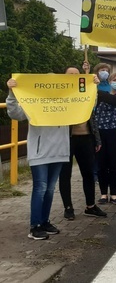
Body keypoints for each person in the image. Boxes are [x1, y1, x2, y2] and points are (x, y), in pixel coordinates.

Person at [6, 78, 69, 240]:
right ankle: (35, 226)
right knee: (40, 188)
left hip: (59, 151)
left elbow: (87, 105)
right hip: (39, 152)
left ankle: (44, 221)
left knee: (49, 189)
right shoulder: (34, 103)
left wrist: (93, 84)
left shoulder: (68, 103)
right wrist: (12, 93)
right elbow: (14, 113)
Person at [56, 65, 107, 221]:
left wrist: (95, 84)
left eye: (76, 74)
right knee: (65, 174)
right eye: (70, 74)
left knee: (88, 173)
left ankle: (90, 206)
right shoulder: (59, 94)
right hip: (67, 138)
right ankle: (68, 207)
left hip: (86, 137)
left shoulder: (86, 91)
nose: (73, 77)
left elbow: (94, 114)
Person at [95, 69, 116, 205]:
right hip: (101, 133)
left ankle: (113, 193)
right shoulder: (101, 96)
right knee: (102, 165)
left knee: (114, 164)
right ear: (110, 81)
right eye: (115, 80)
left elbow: (113, 101)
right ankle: (103, 193)